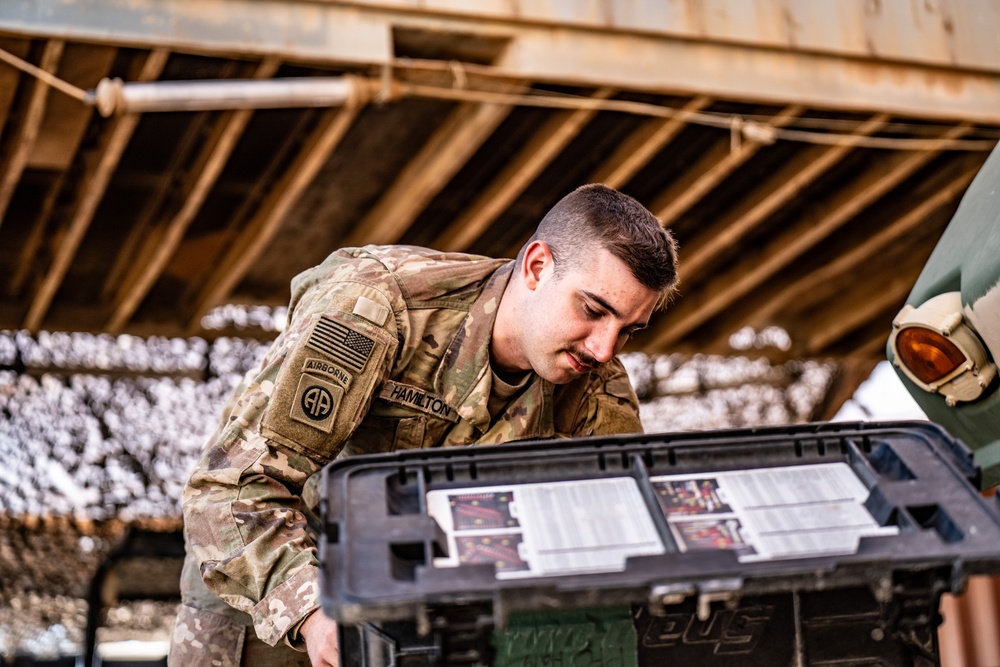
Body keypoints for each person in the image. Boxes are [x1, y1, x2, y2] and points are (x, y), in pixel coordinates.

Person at [168, 183, 679, 666]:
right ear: (538, 266)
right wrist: (314, 613)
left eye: (629, 330)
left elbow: (614, 539)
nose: (604, 348)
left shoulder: (598, 385)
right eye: (593, 310)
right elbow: (229, 489)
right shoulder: (377, 305)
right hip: (274, 589)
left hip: (426, 611)